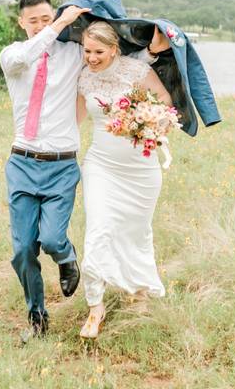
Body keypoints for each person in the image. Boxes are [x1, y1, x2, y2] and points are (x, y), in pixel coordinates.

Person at [0, 0, 167, 341]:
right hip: (22, 160)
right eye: (35, 21)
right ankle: (37, 318)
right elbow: (30, 54)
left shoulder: (75, 55)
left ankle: (67, 257)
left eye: (48, 18)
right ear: (21, 22)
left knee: (53, 239)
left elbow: (111, 59)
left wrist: (150, 52)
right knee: (22, 249)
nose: (44, 26)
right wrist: (58, 23)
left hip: (61, 164)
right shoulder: (13, 54)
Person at [74, 20, 174, 338]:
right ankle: (95, 306)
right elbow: (74, 121)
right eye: (87, 50)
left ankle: (139, 293)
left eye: (98, 51)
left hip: (141, 169)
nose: (91, 57)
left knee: (136, 231)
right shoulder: (84, 79)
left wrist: (147, 123)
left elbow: (166, 106)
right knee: (98, 229)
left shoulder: (136, 71)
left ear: (114, 49)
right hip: (101, 166)